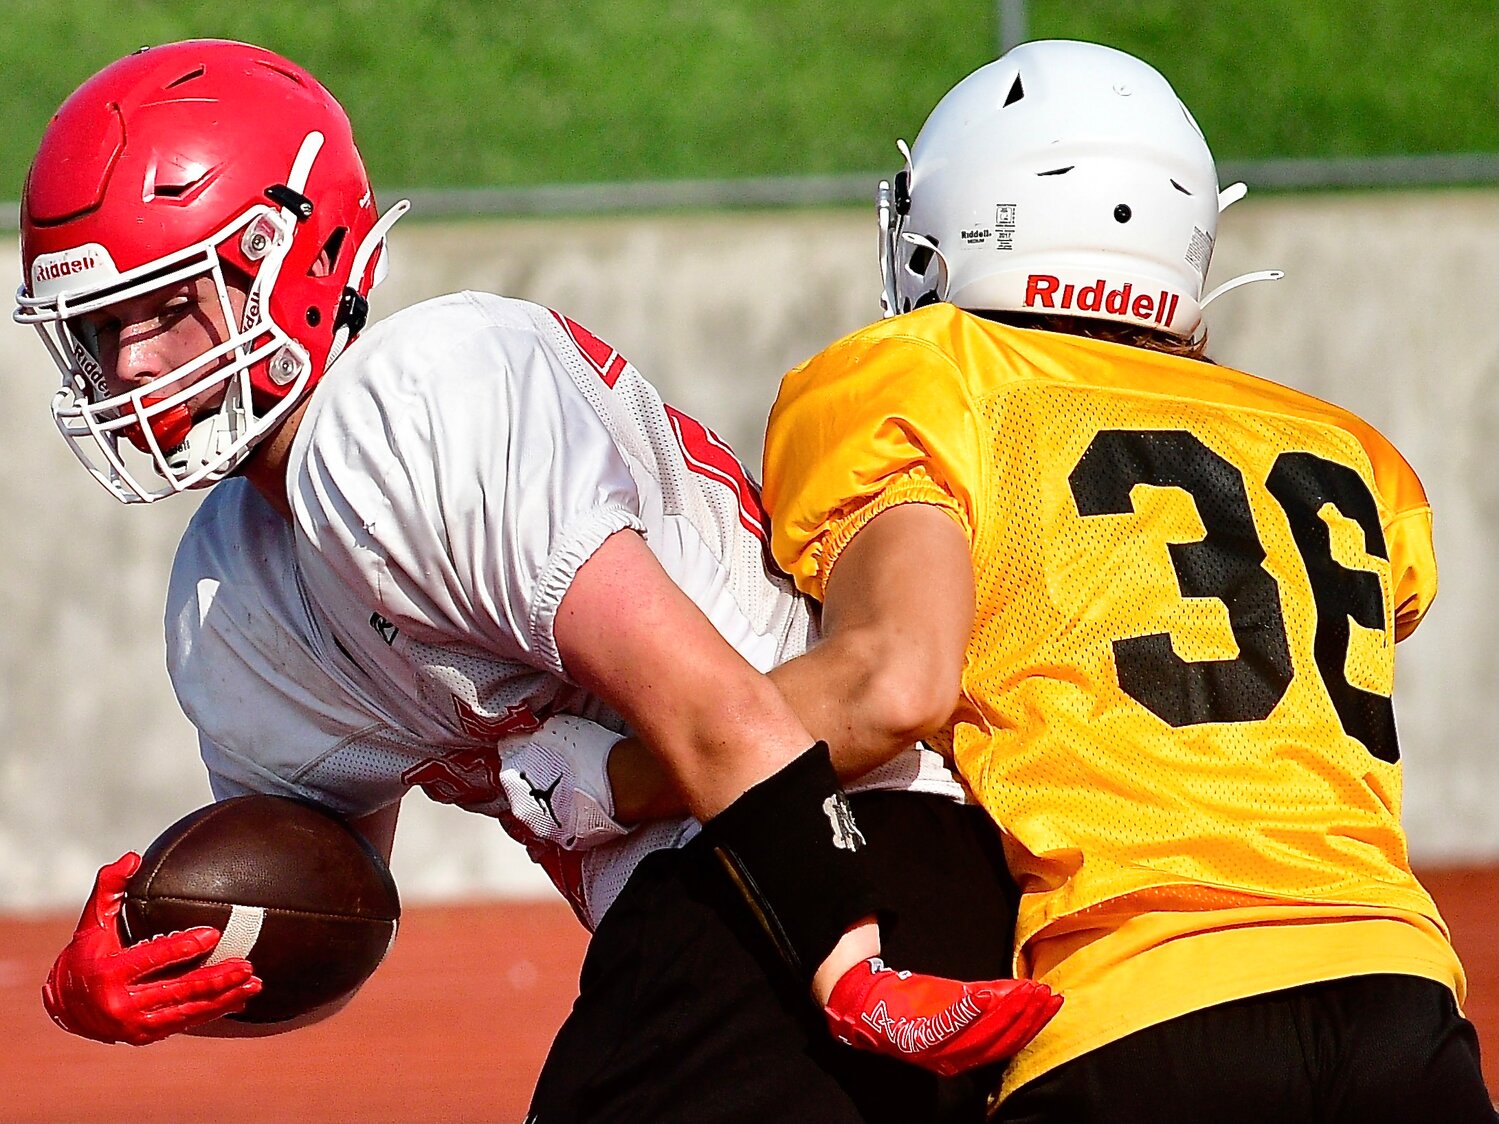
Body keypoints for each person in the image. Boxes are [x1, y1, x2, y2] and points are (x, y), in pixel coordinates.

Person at [15, 39, 1061, 1124]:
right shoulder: (227, 597)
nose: (131, 363)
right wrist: (158, 962)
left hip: (839, 841)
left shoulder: (406, 409)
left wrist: (852, 966)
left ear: (290, 255)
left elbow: (707, 709)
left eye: (166, 303)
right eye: (100, 328)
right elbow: (332, 907)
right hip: (719, 902)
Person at [759, 39, 1496, 1124]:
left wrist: (640, 752)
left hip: (1138, 1005)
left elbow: (885, 683)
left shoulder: (932, 376)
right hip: (1393, 991)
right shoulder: (1344, 448)